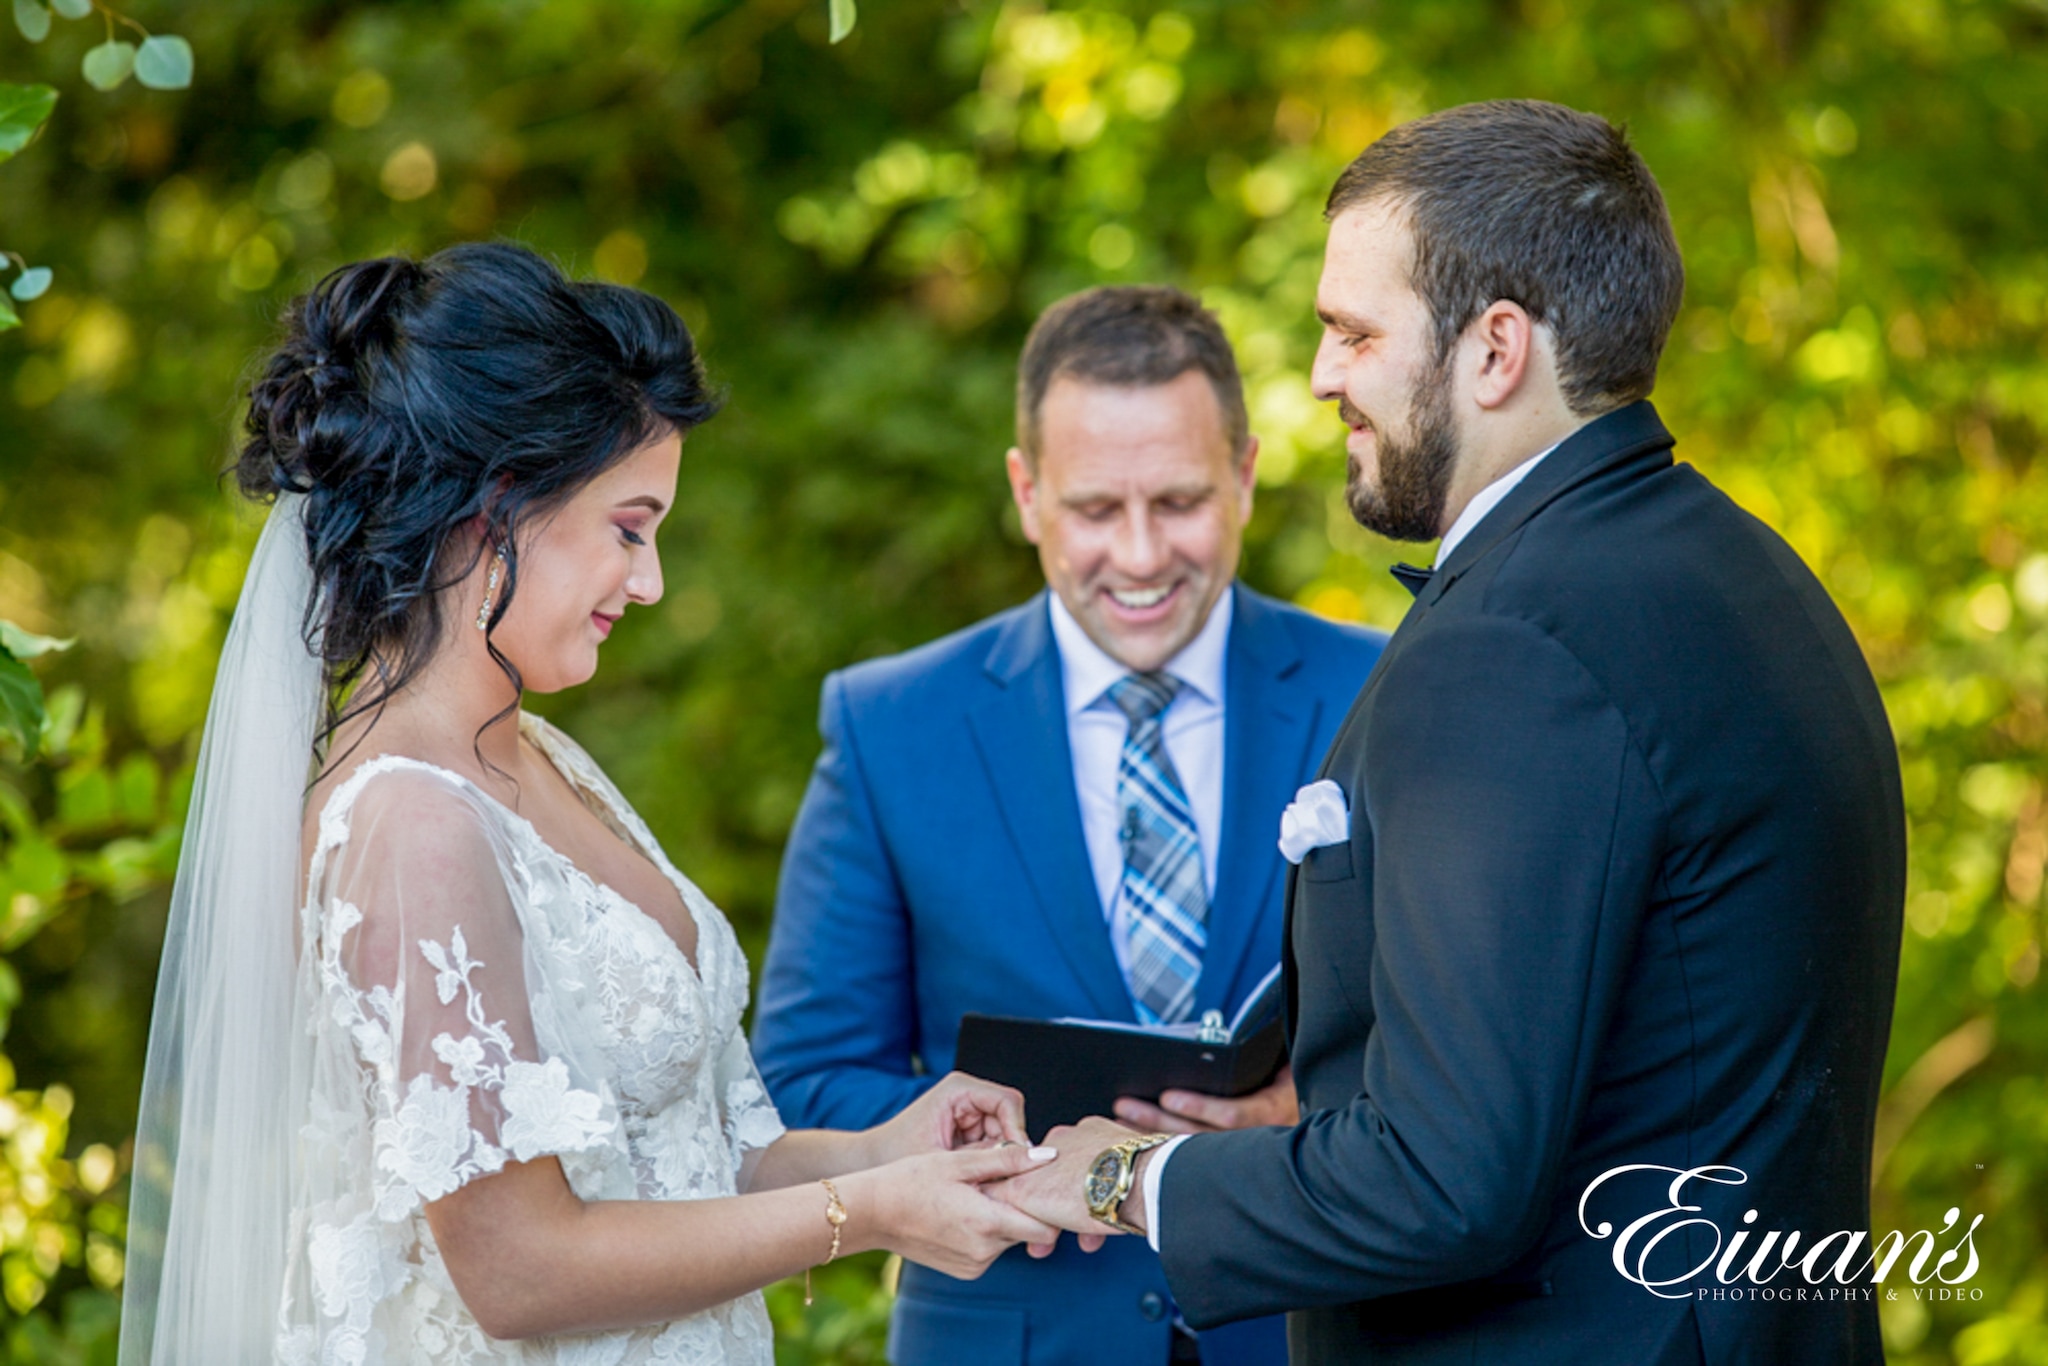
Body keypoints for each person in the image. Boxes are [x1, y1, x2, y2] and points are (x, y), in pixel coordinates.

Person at [998, 100, 1906, 1365]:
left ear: (1493, 350)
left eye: (1353, 332)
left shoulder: (1508, 646)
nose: (1321, 377)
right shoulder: (1741, 574)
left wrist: (1127, 1181)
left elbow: (1442, 1177)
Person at [118, 242, 1066, 1366]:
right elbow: (517, 1266)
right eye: (629, 526)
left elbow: (683, 1165)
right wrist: (868, 1218)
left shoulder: (548, 761)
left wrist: (885, 1156)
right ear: (498, 507)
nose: (650, 581)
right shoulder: (407, 821)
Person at [753, 285, 1387, 1365]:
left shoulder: (1375, 688)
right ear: (1025, 492)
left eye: (1178, 501)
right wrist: (1034, 1143)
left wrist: (1300, 1111)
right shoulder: (892, 724)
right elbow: (806, 1080)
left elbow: (1466, 1042)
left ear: (1241, 477)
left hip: (1307, 1330)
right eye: (1095, 509)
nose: (1139, 557)